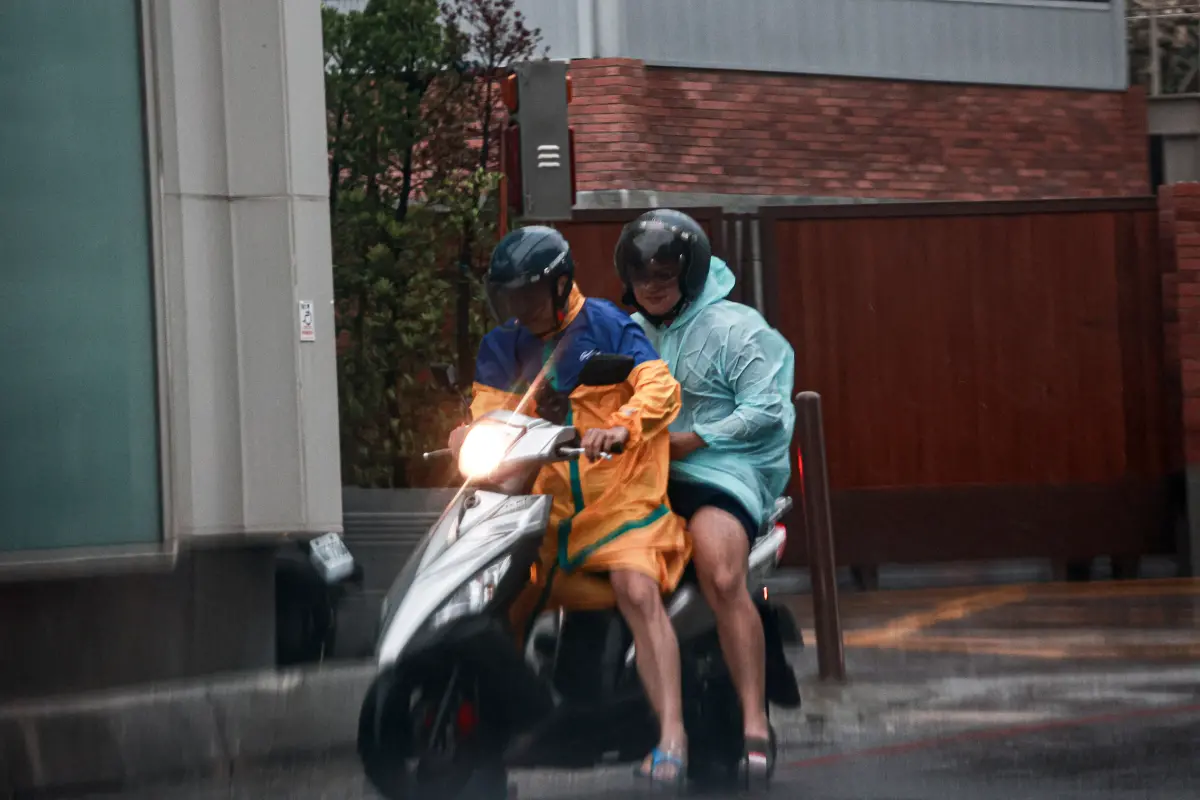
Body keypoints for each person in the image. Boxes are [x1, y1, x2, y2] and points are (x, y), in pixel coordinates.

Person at [452, 225, 693, 787]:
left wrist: (621, 425)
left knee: (636, 590)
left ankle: (672, 737)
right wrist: (470, 434)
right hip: (545, 511)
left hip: (621, 504)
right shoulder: (502, 344)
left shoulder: (609, 326)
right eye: (509, 296)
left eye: (529, 295)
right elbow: (490, 413)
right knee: (493, 601)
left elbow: (660, 388)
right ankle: (491, 741)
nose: (519, 307)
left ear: (561, 285)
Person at [615, 209, 796, 782]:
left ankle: (753, 723)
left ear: (690, 271)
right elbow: (569, 377)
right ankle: (657, 727)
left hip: (724, 474)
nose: (653, 283)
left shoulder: (737, 327)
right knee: (612, 571)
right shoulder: (626, 333)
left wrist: (696, 439)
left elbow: (767, 409)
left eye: (666, 272)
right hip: (646, 478)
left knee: (720, 573)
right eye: (642, 273)